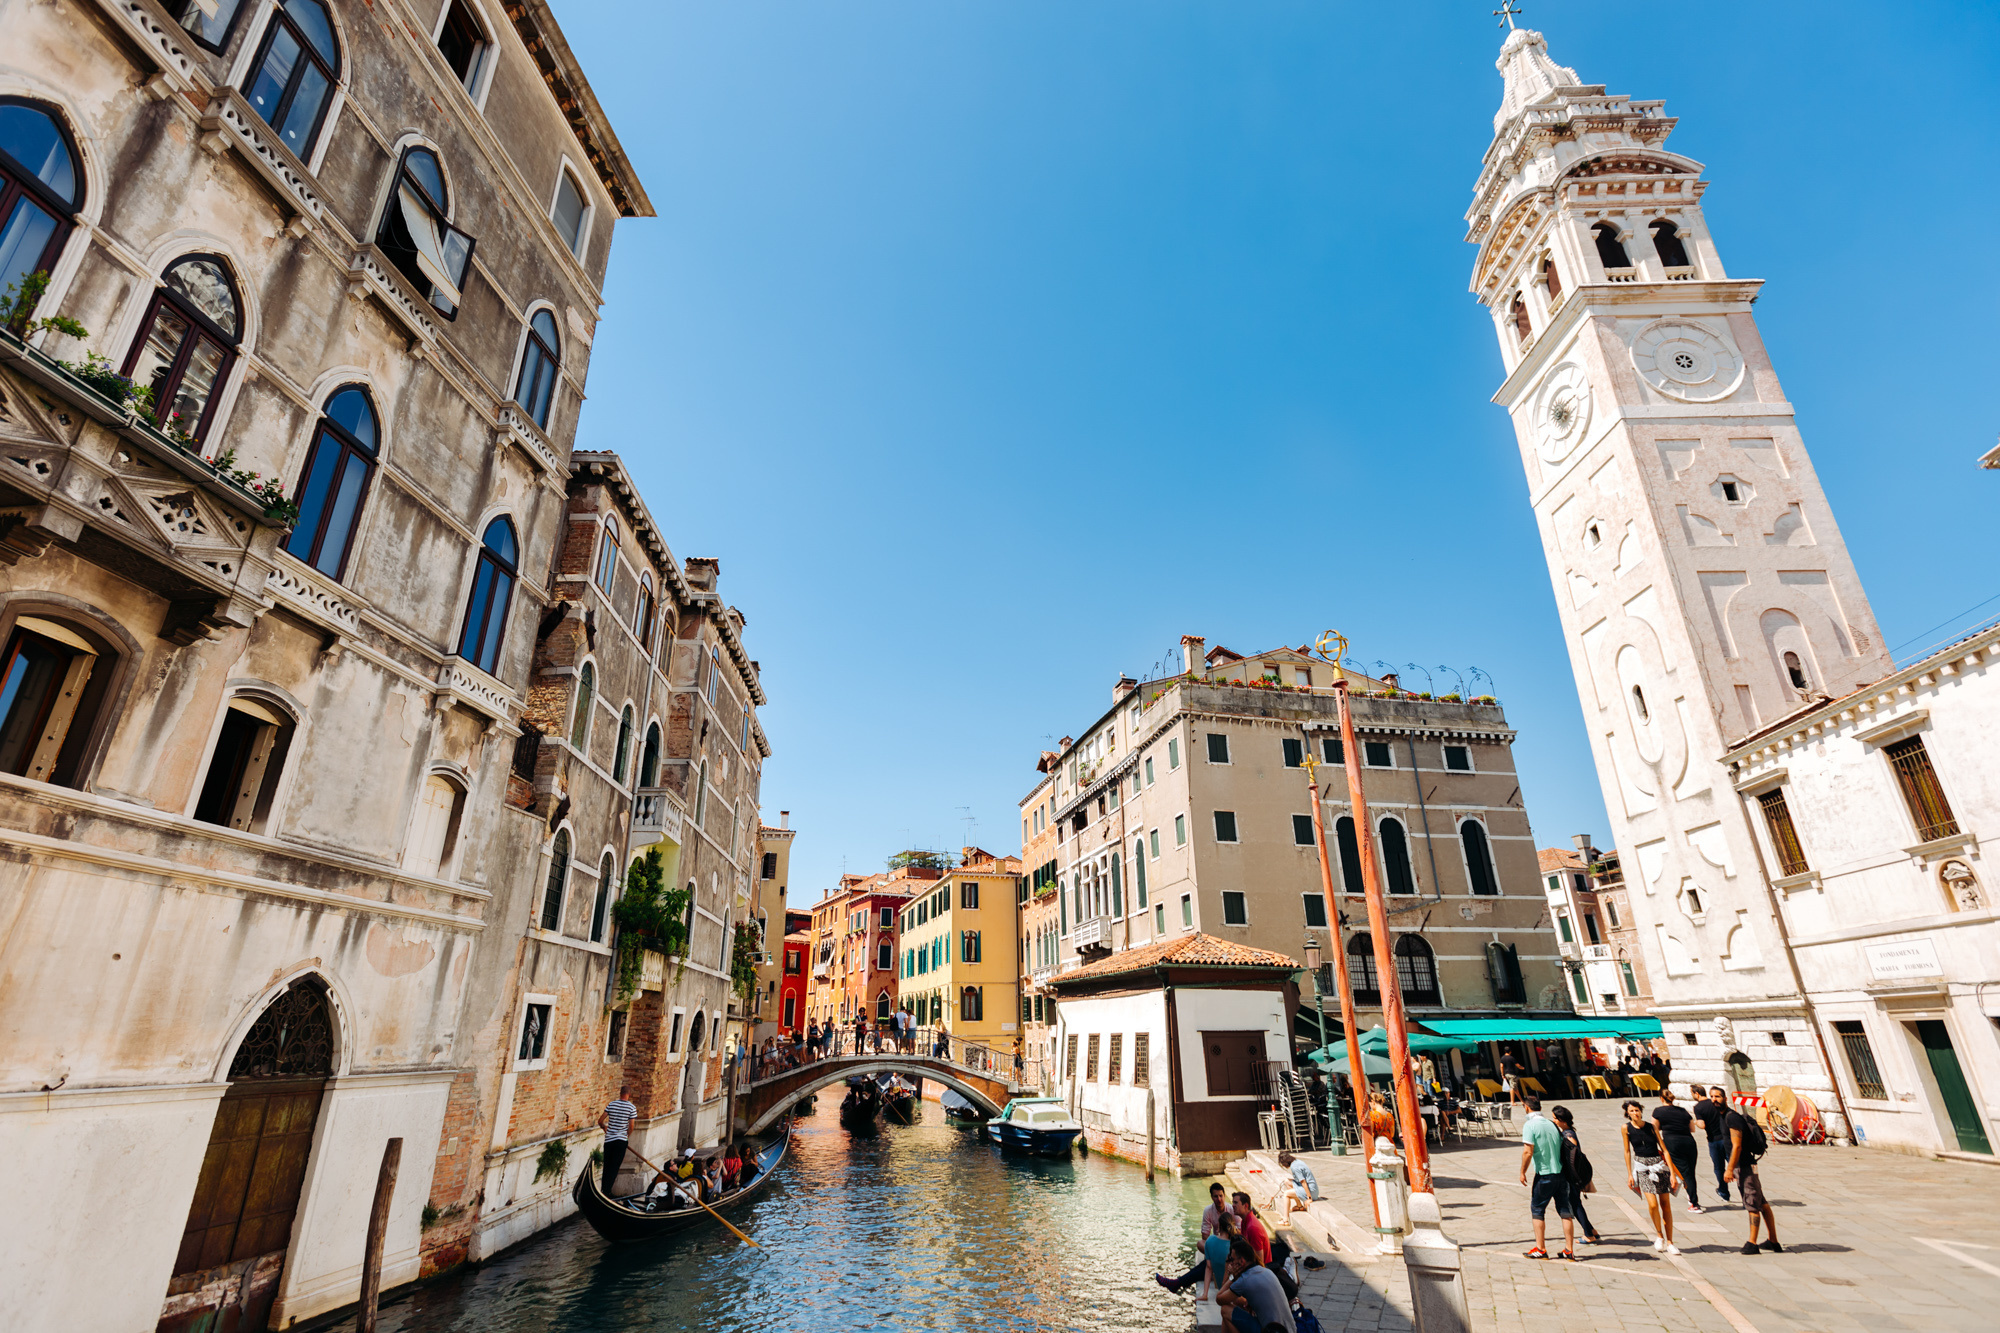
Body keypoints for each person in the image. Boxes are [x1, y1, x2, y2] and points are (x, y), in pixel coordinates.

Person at [1619, 1099, 1681, 1254]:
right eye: (1632, 1111)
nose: (1635, 1113)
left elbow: (1664, 1150)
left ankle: (1670, 1241)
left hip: (1659, 1166)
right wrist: (1629, 1174)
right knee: (1653, 1204)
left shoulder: (1651, 1127)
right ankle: (1659, 1235)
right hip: (1642, 1167)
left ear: (1641, 1110)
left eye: (1637, 1110)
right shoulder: (1625, 1128)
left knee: (1665, 1204)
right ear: (1627, 1113)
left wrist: (1672, 1174)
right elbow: (1627, 1151)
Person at [1518, 1094, 1575, 1260]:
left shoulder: (1530, 1125)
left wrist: (1522, 1171)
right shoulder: (1551, 1124)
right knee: (1565, 1211)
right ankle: (1569, 1249)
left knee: (1537, 1210)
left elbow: (1528, 1151)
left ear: (1527, 1108)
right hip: (1560, 1173)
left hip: (1544, 1174)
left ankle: (1541, 1248)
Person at [1725, 1102, 1782, 1255]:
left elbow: (1737, 1146)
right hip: (1747, 1166)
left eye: (1717, 1096)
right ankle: (1773, 1241)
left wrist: (1729, 1169)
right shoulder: (1729, 1117)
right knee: (1761, 1202)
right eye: (1712, 1097)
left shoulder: (1732, 1119)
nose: (1713, 1100)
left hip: (1744, 1166)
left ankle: (1752, 1243)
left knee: (1752, 1204)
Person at [1155, 1182, 1231, 1293]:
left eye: (1221, 1196)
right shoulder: (1208, 1210)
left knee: (1205, 1265)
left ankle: (1177, 1283)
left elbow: (1237, 1235)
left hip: (1229, 1248)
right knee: (1200, 1244)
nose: (1219, 1199)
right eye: (1216, 1196)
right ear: (1211, 1197)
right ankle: (1177, 1283)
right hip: (1220, 1246)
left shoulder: (1232, 1210)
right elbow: (1205, 1237)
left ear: (1224, 1195)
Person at [1218, 1239, 1296, 1333]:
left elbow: (1219, 1299)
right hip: (1290, 1329)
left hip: (1270, 1330)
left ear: (1241, 1262)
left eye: (1232, 1259)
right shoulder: (1265, 1271)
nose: (1231, 1263)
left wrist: (1232, 1278)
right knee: (1241, 1307)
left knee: (1225, 1310)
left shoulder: (1244, 1280)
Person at [1548, 1105, 1601, 1244]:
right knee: (1576, 1202)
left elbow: (1573, 1153)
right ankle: (1591, 1230)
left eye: (1555, 1118)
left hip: (1572, 1176)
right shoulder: (1568, 1132)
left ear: (1562, 1120)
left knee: (1575, 1203)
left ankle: (1588, 1234)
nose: (1553, 1121)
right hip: (1572, 1175)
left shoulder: (1568, 1135)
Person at [1651, 1088, 1704, 1213]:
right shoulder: (1683, 1111)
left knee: (1684, 1173)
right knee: (1690, 1172)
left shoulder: (1658, 1111)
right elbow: (1692, 1129)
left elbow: (1654, 1129)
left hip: (1672, 1143)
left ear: (1661, 1098)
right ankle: (1691, 1196)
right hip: (1689, 1142)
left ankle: (1694, 1202)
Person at [1692, 1084, 1732, 1203]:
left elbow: (1702, 1124)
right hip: (1726, 1139)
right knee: (1735, 1166)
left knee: (1719, 1168)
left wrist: (1695, 1122)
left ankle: (1724, 1193)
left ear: (1696, 1094)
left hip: (1714, 1141)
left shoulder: (1698, 1107)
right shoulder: (1716, 1103)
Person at [596, 1085, 638, 1193]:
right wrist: (626, 1136)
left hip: (609, 1140)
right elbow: (631, 1126)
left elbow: (600, 1120)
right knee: (614, 1167)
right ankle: (607, 1192)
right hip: (621, 1141)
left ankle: (603, 1190)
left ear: (620, 1093)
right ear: (629, 1094)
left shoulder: (611, 1104)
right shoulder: (631, 1108)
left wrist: (604, 1127)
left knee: (607, 1166)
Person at [1275, 1150, 1319, 1224]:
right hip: (1311, 1188)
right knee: (1287, 1181)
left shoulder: (1294, 1167)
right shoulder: (1296, 1161)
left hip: (1311, 1191)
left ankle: (1285, 1219)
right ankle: (1299, 1206)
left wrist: (1309, 1198)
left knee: (1286, 1194)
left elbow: (1303, 1182)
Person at [1231, 1192, 1272, 1266]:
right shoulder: (1244, 1221)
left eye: (1236, 1203)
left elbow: (1260, 1261)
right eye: (1233, 1202)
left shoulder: (1252, 1228)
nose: (1233, 1205)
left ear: (1245, 1206)